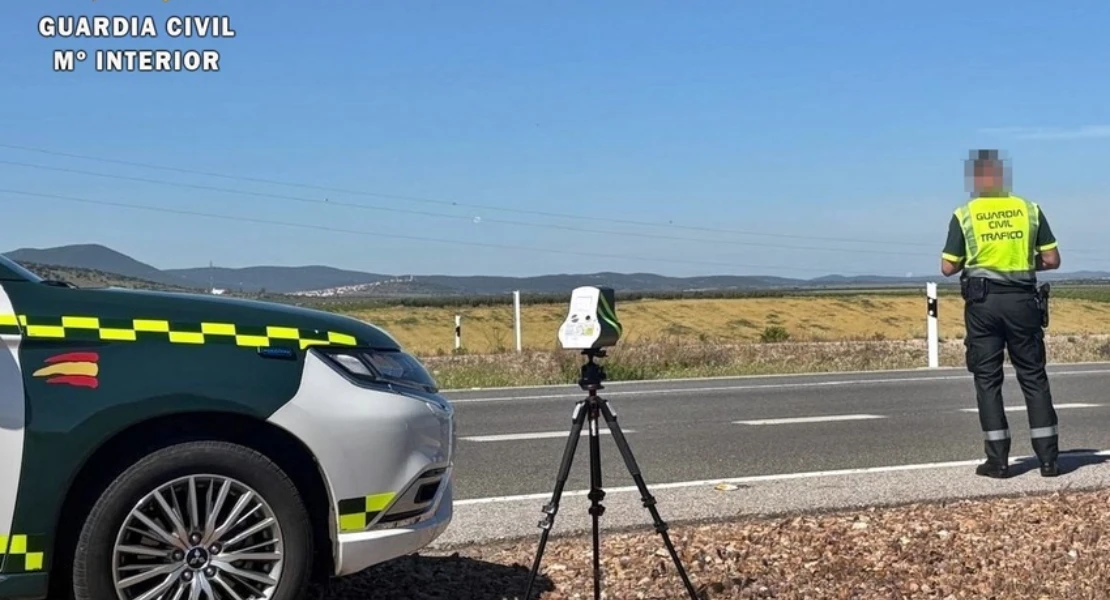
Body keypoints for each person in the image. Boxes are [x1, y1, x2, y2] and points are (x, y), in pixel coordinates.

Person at [940, 149, 1062, 479]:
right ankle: (1049, 461)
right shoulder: (1029, 210)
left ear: (976, 181)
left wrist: (980, 265)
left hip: (983, 304)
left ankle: (998, 461)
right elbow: (1052, 260)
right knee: (1033, 377)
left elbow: (948, 266)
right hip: (1023, 302)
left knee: (988, 379)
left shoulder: (965, 214)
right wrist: (1024, 264)